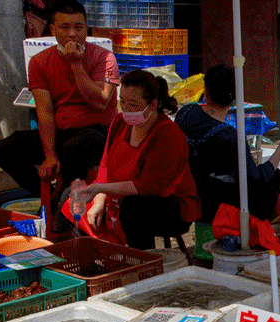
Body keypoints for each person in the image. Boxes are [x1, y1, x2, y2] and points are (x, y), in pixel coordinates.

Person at [0, 0, 118, 233]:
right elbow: (45, 113)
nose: (72, 34)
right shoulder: (40, 62)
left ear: (87, 28)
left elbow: (100, 101)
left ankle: (63, 205)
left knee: (77, 145)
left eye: (79, 27)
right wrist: (49, 155)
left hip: (98, 133)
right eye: (65, 27)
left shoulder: (104, 58)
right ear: (53, 29)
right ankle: (53, 197)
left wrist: (76, 65)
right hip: (62, 132)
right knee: (3, 149)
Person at [67, 70, 201, 250]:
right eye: (123, 102)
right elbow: (105, 164)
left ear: (153, 104)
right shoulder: (120, 123)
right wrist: (100, 199)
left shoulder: (168, 135)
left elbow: (146, 187)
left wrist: (100, 189)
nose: (127, 109)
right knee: (73, 195)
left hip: (168, 206)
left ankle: (142, 262)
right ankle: (90, 255)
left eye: (133, 104)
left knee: (134, 209)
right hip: (117, 196)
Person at [174, 64, 280, 226]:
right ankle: (271, 232)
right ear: (235, 98)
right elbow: (255, 181)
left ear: (206, 92)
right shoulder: (229, 136)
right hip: (215, 206)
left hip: (186, 194)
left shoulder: (185, 113)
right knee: (276, 178)